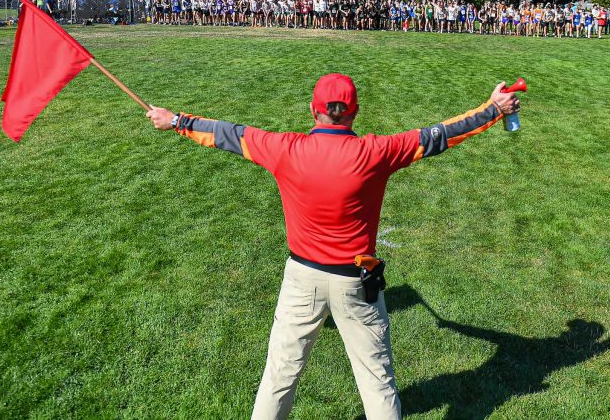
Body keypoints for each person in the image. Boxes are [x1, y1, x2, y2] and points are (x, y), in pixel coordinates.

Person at [145, 74, 520, 419]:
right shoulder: (375, 152)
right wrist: (492, 110)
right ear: (355, 112)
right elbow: (439, 135)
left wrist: (176, 120)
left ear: (313, 109)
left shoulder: (285, 148)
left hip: (301, 280)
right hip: (357, 283)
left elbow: (227, 133)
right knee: (377, 381)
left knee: (279, 374)